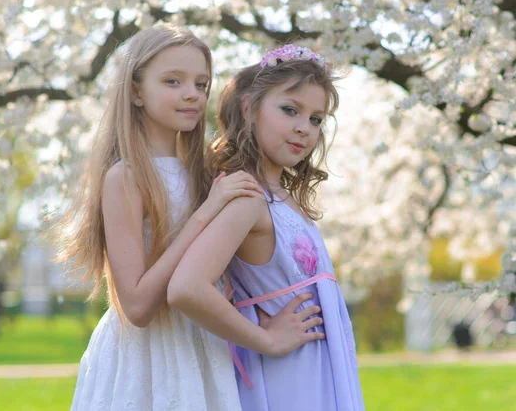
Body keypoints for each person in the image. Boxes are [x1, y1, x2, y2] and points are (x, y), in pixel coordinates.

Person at [55, 27, 322, 411]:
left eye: (201, 83)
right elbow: (137, 307)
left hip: (206, 343)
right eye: (172, 81)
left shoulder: (208, 171)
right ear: (135, 92)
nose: (191, 94)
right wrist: (205, 214)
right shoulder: (126, 177)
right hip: (148, 359)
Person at [168, 44, 365, 411]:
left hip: (317, 370)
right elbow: (186, 288)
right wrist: (266, 339)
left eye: (316, 119)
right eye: (290, 110)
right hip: (287, 377)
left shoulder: (282, 197)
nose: (303, 128)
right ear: (249, 108)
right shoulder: (248, 197)